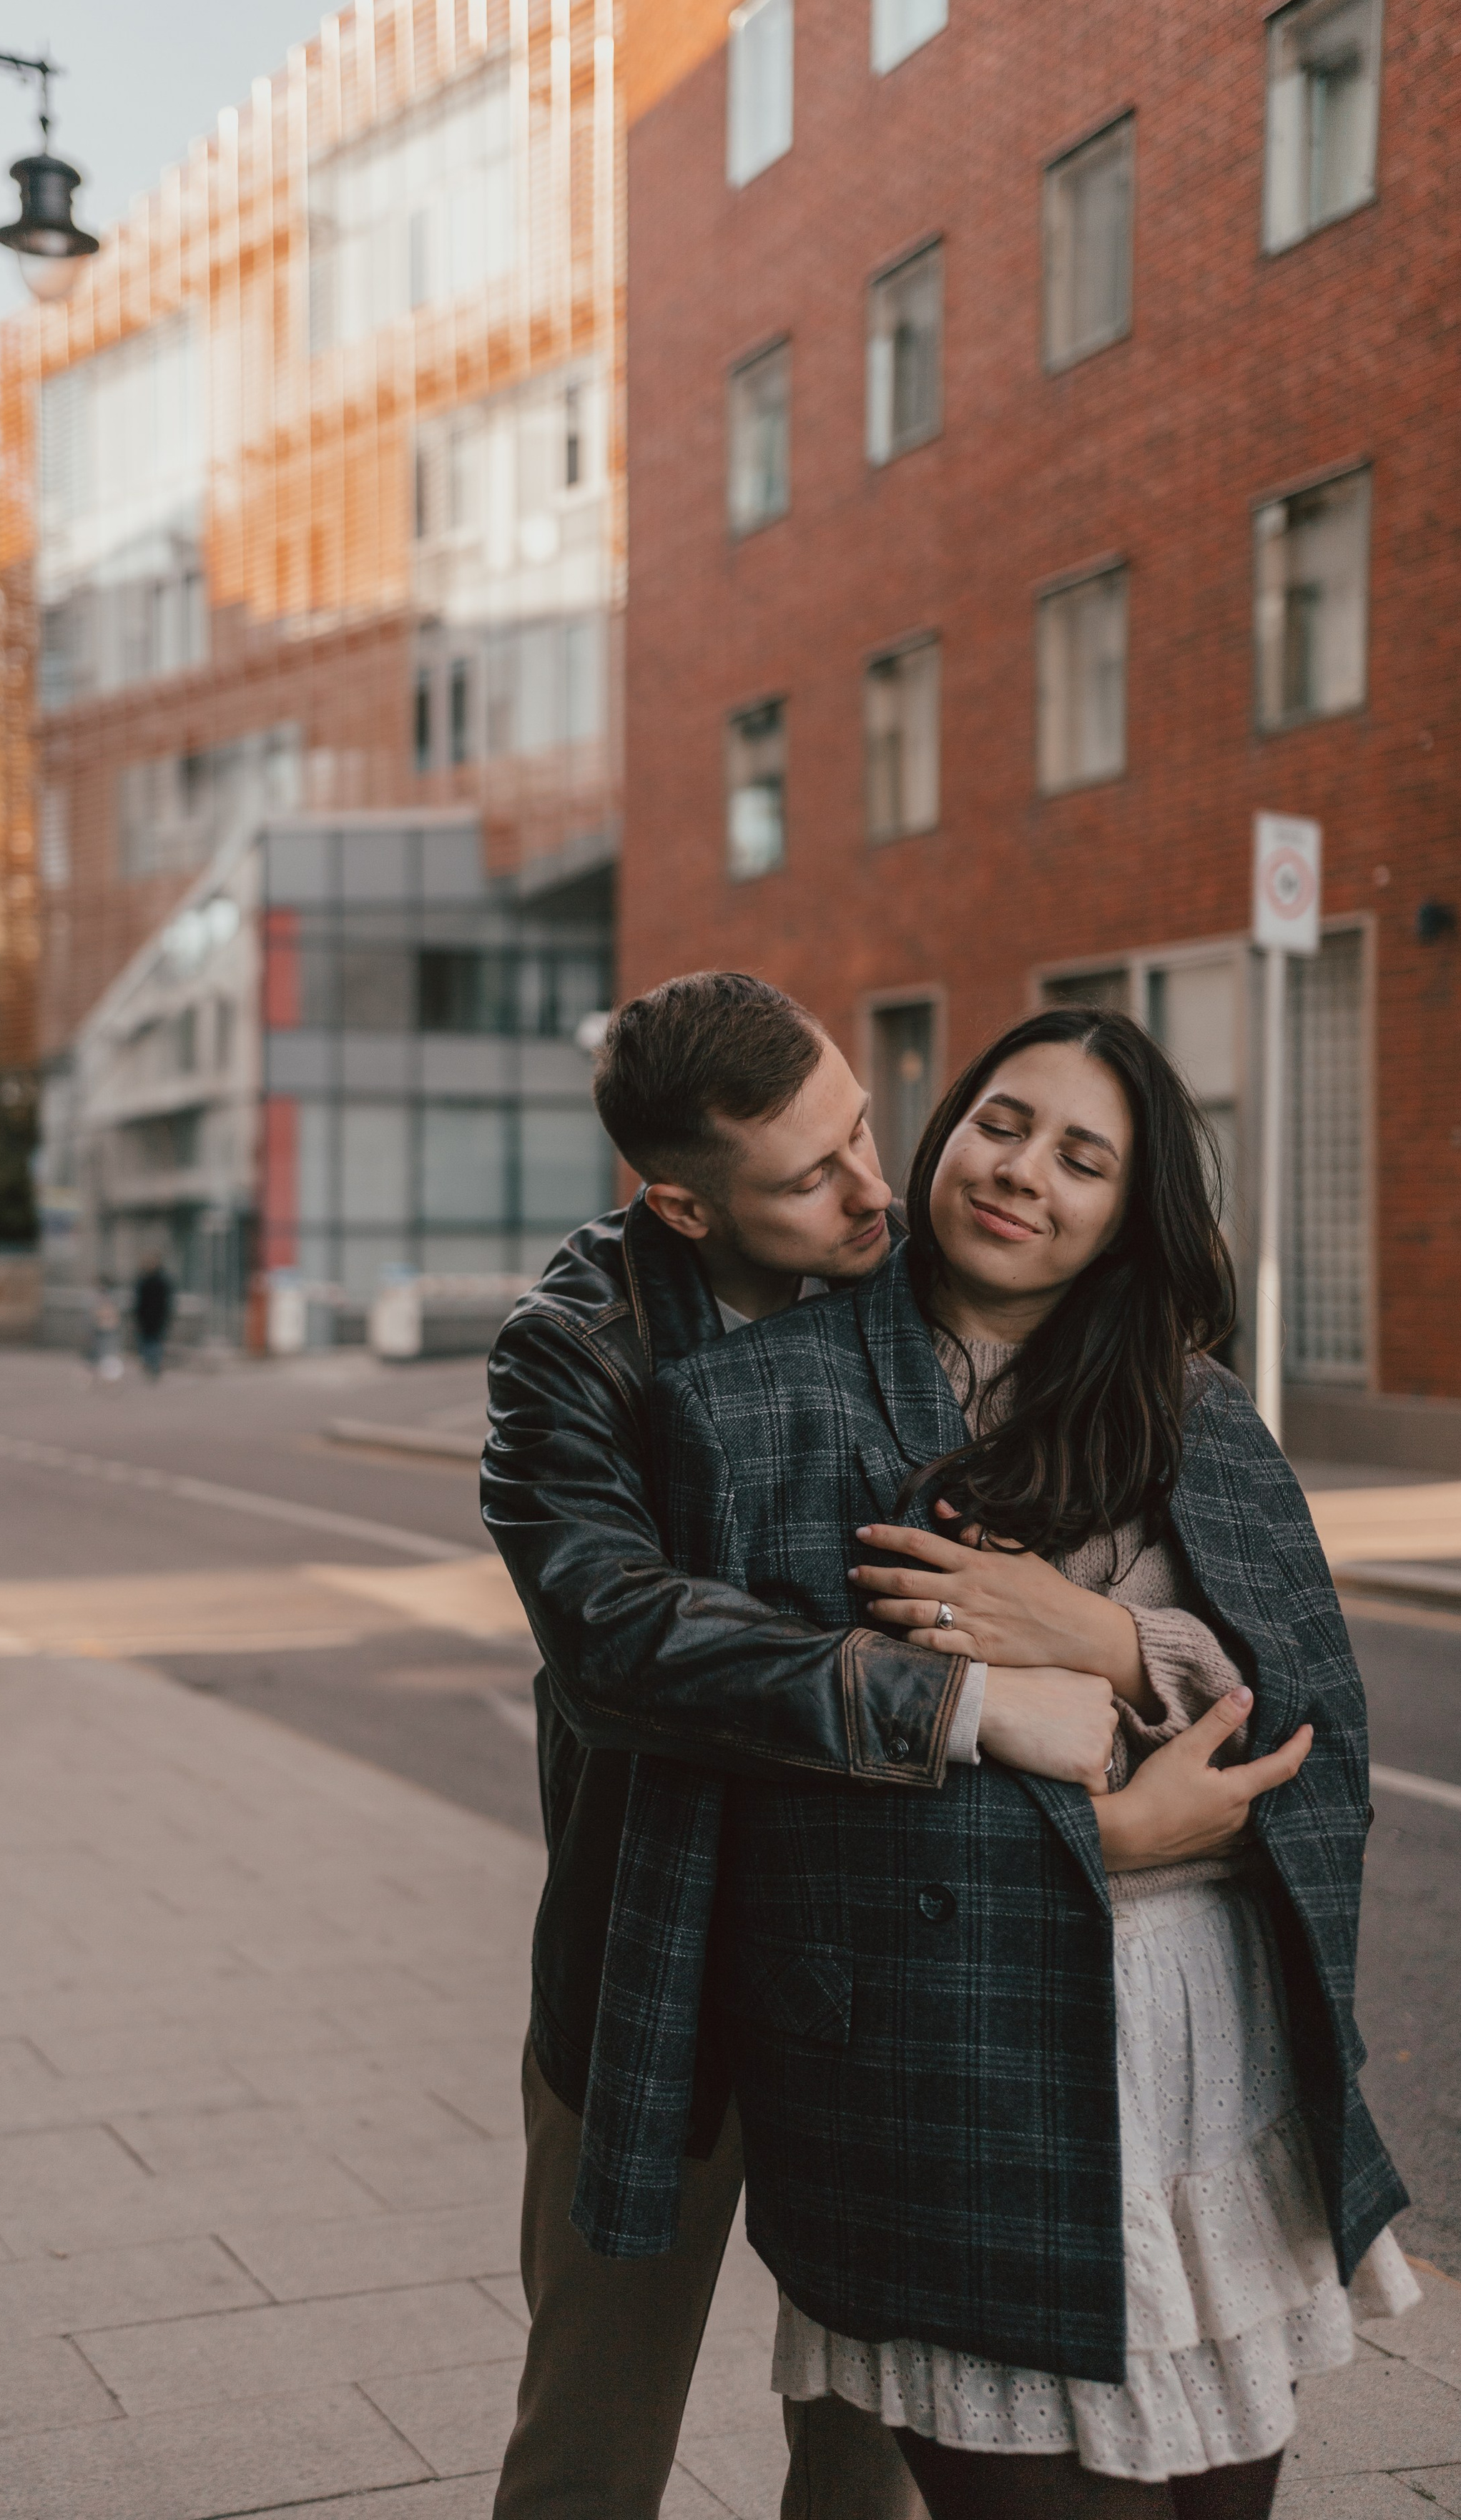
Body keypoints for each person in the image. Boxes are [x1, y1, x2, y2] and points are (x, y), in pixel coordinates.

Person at [601, 1006, 1415, 2519]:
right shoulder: (750, 1406)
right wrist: (1102, 1838)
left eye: (1081, 1156)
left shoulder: (1196, 1414)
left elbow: (1314, 1745)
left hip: (1204, 2056)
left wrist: (1097, 1639)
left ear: (1128, 1210)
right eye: (1000, 1122)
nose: (1021, 1171)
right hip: (942, 2060)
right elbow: (753, 1789)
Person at [483, 976, 1153, 2520]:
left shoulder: (923, 1278)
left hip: (892, 1967)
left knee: (881, 2466)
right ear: (680, 1204)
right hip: (662, 1966)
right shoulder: (571, 1350)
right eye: (805, 1176)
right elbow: (619, 1644)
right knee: (589, 2442)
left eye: (862, 1126)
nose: (872, 1191)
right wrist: (959, 1704)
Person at [133, 1256, 173, 1379]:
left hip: (155, 1318)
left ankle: (153, 1365)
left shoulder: (156, 1282)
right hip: (149, 1318)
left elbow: (166, 1302)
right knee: (150, 1343)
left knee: (154, 1343)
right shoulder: (148, 1281)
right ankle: (152, 1365)